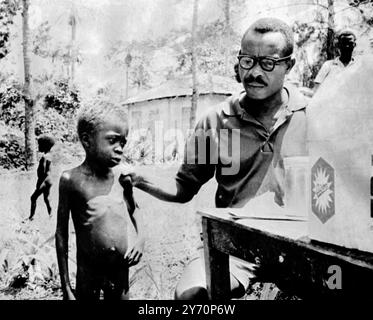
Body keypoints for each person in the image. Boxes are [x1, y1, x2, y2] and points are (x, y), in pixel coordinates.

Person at [125, 17, 308, 300]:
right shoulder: (215, 121)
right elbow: (184, 187)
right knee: (190, 296)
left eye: (268, 63)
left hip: (302, 247)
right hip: (238, 249)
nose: (255, 72)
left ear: (289, 65)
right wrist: (139, 178)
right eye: (247, 61)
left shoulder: (313, 114)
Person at [55, 101, 145, 300]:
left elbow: (134, 209)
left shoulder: (122, 178)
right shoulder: (71, 180)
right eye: (112, 140)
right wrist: (66, 288)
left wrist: (140, 240)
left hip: (120, 270)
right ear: (87, 140)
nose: (120, 148)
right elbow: (61, 235)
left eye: (123, 142)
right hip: (89, 272)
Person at [29, 134, 56, 221]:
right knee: (46, 198)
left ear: (45, 145)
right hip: (49, 180)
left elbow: (43, 172)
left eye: (40, 144)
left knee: (33, 198)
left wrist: (39, 183)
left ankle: (31, 217)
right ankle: (51, 215)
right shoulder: (49, 155)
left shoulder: (44, 157)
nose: (38, 146)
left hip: (44, 180)